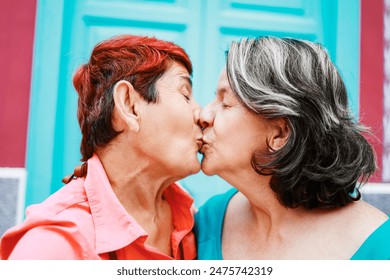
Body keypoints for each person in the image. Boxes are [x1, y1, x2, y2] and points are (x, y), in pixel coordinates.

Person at [0, 35, 203, 259]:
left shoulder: (195, 220)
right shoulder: (51, 247)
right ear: (129, 105)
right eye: (185, 95)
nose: (202, 114)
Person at [195, 36, 390, 260]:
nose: (204, 115)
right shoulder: (209, 220)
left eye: (225, 103)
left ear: (280, 134)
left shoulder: (379, 248)